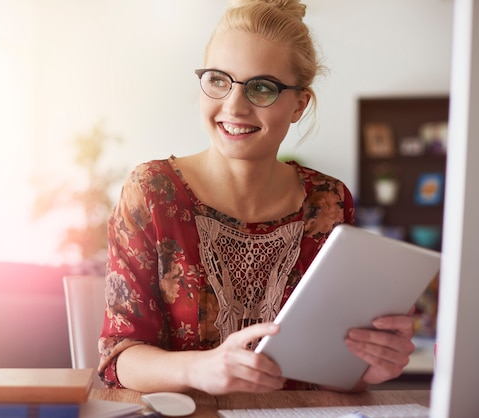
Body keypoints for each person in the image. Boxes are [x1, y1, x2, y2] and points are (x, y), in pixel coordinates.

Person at [98, 0, 415, 395]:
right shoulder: (151, 191)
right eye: (218, 80)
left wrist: (372, 364)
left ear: (299, 104)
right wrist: (199, 369)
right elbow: (119, 357)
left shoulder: (329, 201)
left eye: (261, 87)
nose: (234, 105)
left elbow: (334, 360)